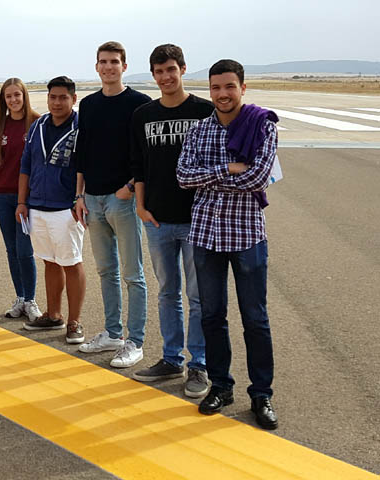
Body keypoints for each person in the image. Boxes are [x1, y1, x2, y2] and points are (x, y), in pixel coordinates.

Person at [177, 59, 279, 430]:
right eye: (216, 87)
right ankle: (221, 385)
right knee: (211, 316)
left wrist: (213, 176)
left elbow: (257, 178)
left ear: (243, 88)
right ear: (210, 89)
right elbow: (183, 178)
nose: (222, 94)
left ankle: (261, 393)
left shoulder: (262, 125)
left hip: (247, 235)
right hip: (205, 235)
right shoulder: (199, 130)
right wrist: (228, 169)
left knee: (255, 318)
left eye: (229, 87)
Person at [128, 44, 214, 398]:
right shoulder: (143, 115)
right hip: (158, 220)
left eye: (171, 70)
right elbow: (139, 166)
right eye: (159, 72)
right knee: (167, 293)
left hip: (197, 220)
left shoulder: (204, 111)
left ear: (182, 70)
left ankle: (199, 366)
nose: (166, 77)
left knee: (198, 296)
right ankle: (170, 358)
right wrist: (142, 208)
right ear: (153, 75)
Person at [74, 41, 151, 368]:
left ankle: (135, 341)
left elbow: (145, 156)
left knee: (132, 273)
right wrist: (79, 195)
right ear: (96, 67)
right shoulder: (89, 105)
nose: (108, 67)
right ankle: (112, 333)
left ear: (124, 66)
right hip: (92, 198)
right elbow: (82, 153)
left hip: (123, 200)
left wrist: (131, 188)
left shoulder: (139, 103)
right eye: (103, 62)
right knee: (106, 271)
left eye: (114, 62)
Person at [14, 76, 86, 345]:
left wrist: (79, 198)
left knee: (71, 262)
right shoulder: (37, 126)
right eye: (52, 97)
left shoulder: (81, 127)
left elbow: (86, 167)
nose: (57, 102)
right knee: (49, 260)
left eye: (63, 97)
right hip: (37, 207)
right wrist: (22, 202)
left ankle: (74, 321)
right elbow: (25, 166)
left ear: (73, 99)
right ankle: (53, 313)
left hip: (66, 207)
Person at [0, 78, 43, 322]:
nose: (13, 100)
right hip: (2, 195)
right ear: (3, 100)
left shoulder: (37, 122)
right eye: (9, 96)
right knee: (11, 249)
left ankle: (31, 300)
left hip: (26, 199)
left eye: (17, 95)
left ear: (24, 96)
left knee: (25, 250)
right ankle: (20, 298)